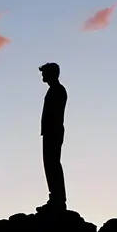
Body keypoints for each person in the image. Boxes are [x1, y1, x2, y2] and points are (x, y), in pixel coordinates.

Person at [39, 62, 68, 209]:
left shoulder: (58, 90)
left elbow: (55, 113)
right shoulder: (54, 90)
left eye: (45, 73)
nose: (43, 76)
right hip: (51, 132)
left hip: (53, 131)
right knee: (50, 165)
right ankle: (55, 197)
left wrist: (51, 129)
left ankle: (58, 198)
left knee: (53, 165)